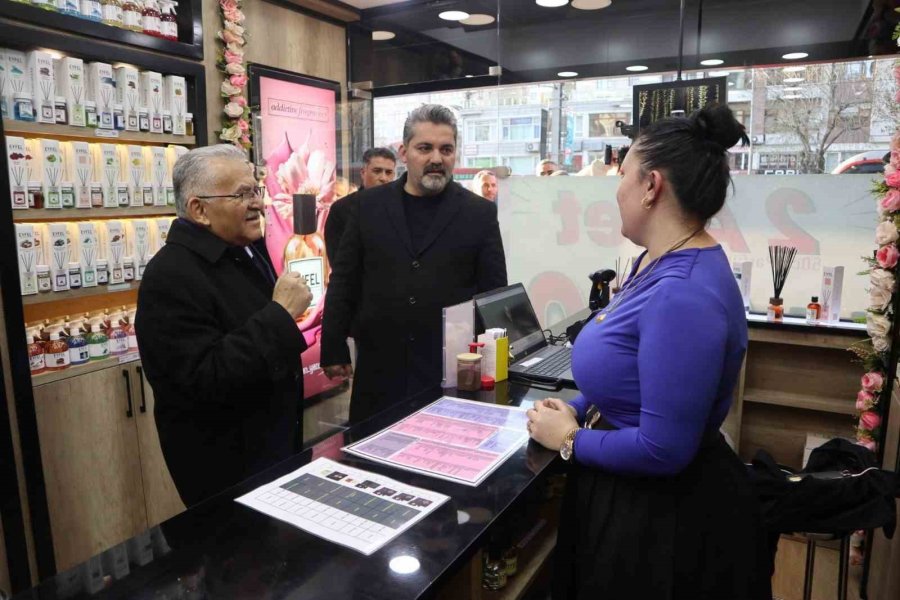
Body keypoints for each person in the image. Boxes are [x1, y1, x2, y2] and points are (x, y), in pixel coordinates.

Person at [526, 105, 771, 599]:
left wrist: (571, 440)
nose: (615, 190)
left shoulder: (682, 292)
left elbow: (664, 448)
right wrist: (578, 406)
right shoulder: (655, 262)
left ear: (651, 185)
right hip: (629, 494)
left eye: (622, 175)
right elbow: (637, 377)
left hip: (661, 522)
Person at [136, 145, 312, 506]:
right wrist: (280, 314)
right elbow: (202, 378)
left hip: (271, 454)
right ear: (199, 209)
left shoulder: (243, 250)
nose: (257, 204)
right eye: (241, 194)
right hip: (227, 470)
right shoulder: (170, 276)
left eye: (255, 191)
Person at [322, 104, 507, 422]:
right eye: (425, 148)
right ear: (404, 152)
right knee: (372, 452)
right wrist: (333, 344)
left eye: (446, 149)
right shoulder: (367, 206)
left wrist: (496, 364)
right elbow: (345, 279)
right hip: (379, 366)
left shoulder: (479, 213)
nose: (437, 158)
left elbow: (493, 291)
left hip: (450, 369)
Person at [324, 147, 396, 265]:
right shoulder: (341, 210)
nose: (384, 178)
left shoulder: (401, 208)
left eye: (388, 172)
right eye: (377, 171)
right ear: (363, 173)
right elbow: (338, 261)